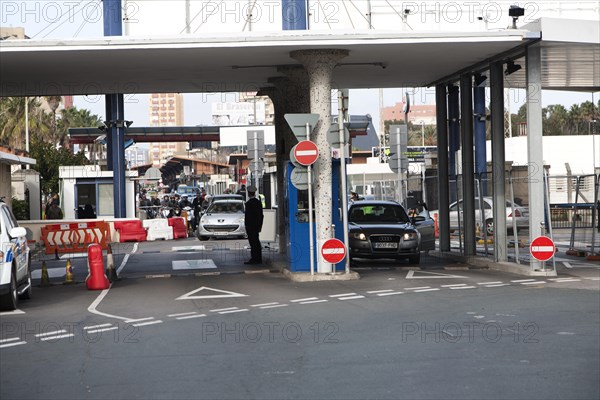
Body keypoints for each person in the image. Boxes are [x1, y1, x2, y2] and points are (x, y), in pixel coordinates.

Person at [244, 186, 264, 265]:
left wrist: (247, 225)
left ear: (248, 193)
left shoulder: (248, 204)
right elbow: (261, 215)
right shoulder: (258, 203)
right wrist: (259, 226)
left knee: (253, 243)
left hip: (250, 226)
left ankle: (254, 258)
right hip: (256, 226)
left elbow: (248, 217)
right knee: (256, 242)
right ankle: (258, 258)